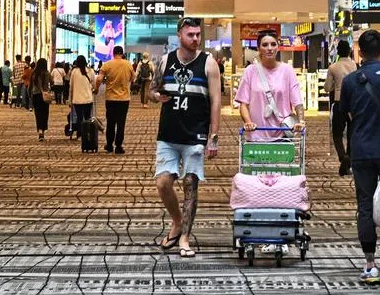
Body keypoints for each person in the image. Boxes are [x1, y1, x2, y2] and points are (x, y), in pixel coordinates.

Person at [335, 29, 380, 284]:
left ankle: (369, 265)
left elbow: (345, 115)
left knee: (365, 205)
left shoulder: (351, 80)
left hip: (362, 150)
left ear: (360, 52)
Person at [152, 17, 221, 258]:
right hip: (168, 134)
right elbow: (153, 89)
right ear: (179, 35)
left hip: (196, 134)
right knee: (163, 183)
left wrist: (214, 136)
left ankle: (184, 237)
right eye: (190, 34)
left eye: (198, 35)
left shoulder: (208, 63)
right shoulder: (165, 61)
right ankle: (177, 221)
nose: (195, 39)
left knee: (190, 185)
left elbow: (216, 102)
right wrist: (155, 96)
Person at [236, 30, 305, 140]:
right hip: (256, 134)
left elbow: (297, 102)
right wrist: (248, 122)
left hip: (283, 133)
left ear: (278, 47)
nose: (269, 48)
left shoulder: (287, 71)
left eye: (273, 44)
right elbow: (243, 104)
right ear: (258, 49)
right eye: (265, 45)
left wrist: (301, 121)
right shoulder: (250, 71)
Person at [96, 46, 135, 154]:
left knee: (110, 122)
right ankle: (118, 146)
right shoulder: (128, 65)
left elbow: (99, 78)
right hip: (124, 99)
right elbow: (133, 78)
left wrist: (96, 88)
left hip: (111, 98)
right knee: (121, 123)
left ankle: (109, 145)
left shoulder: (107, 65)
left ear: (113, 54)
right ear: (122, 54)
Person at [327, 40, 358, 168]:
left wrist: (335, 84)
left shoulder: (333, 67)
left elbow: (327, 87)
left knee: (337, 134)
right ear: (349, 51)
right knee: (352, 133)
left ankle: (342, 156)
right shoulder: (355, 66)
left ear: (338, 52)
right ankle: (349, 159)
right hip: (353, 103)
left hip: (339, 102)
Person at [68, 55, 96, 137]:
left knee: (79, 117)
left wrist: (70, 100)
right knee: (87, 118)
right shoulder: (90, 71)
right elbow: (94, 85)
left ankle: (79, 134)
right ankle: (87, 134)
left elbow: (71, 87)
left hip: (77, 100)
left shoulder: (74, 72)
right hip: (88, 99)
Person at [30, 58, 53, 140]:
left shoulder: (34, 73)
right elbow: (52, 81)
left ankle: (39, 130)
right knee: (44, 113)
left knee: (38, 113)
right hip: (45, 96)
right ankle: (43, 130)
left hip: (36, 95)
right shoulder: (47, 73)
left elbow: (31, 85)